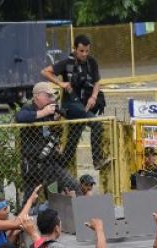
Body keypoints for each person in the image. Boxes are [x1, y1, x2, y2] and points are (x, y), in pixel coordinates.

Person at [41, 34, 108, 170]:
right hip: (70, 105)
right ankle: (97, 160)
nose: (84, 54)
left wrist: (94, 97)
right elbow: (45, 72)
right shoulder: (67, 63)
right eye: (81, 51)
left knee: (71, 143)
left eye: (87, 51)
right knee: (96, 124)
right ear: (75, 49)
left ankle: (56, 168)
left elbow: (96, 82)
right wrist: (61, 83)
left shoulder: (92, 62)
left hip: (83, 106)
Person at [15, 82, 82, 200]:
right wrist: (43, 113)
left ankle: (62, 213)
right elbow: (20, 117)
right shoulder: (29, 108)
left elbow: (67, 116)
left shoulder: (50, 109)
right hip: (33, 162)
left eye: (52, 96)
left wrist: (58, 115)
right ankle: (26, 215)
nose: (51, 99)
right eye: (48, 96)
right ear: (37, 96)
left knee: (72, 186)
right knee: (31, 196)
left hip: (50, 160)